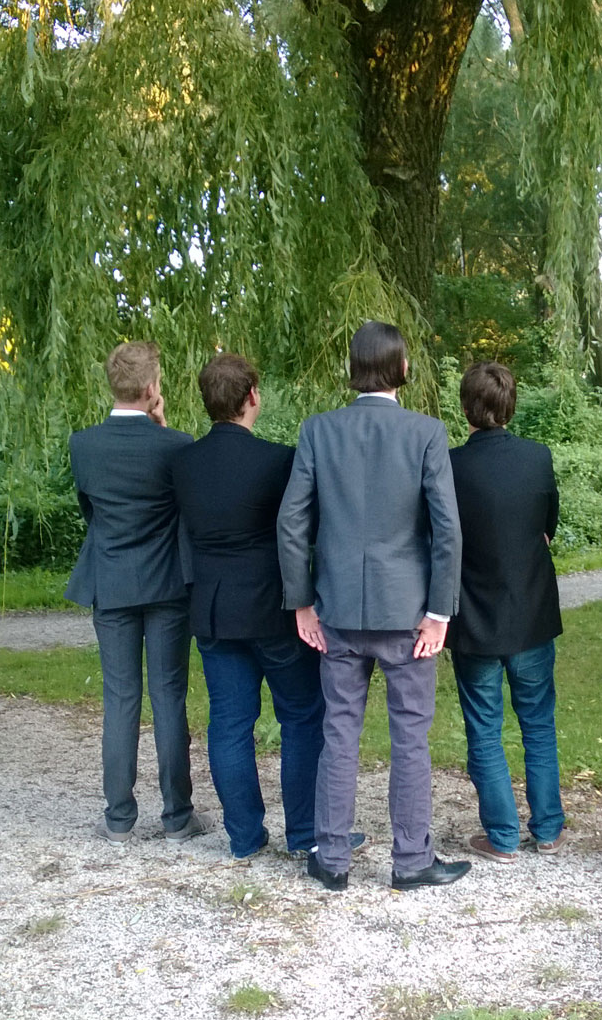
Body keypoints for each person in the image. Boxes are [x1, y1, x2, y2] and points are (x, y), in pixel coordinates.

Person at [276, 320, 469, 893]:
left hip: (336, 609)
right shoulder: (426, 432)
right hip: (408, 614)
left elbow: (292, 524)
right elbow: (447, 529)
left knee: (339, 733)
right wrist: (439, 612)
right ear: (402, 369)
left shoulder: (318, 431)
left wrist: (301, 603)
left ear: (353, 369)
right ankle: (411, 861)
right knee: (410, 736)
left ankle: (332, 858)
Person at [171, 353, 326, 860]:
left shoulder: (183, 463)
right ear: (253, 395)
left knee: (230, 724)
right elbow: (300, 532)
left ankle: (244, 836)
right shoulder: (278, 460)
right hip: (273, 608)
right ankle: (304, 834)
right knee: (301, 715)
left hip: (214, 610)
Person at [65, 340, 205, 842]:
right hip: (167, 583)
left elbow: (91, 512)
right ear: (152, 389)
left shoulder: (83, 445)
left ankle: (119, 817)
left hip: (111, 581)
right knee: (168, 696)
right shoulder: (178, 445)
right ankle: (177, 815)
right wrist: (162, 428)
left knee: (120, 697)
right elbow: (184, 507)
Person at [448, 361, 565, 861]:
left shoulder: (449, 465)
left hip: (475, 618)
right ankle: (549, 828)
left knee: (484, 727)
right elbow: (548, 524)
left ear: (465, 407)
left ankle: (501, 835)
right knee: (537, 723)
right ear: (511, 405)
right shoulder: (537, 458)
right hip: (531, 613)